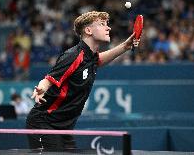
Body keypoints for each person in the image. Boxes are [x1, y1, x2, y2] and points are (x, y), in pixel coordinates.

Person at [26, 11, 140, 151]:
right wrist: (41, 88)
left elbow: (99, 60)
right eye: (102, 24)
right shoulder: (73, 55)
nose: (108, 28)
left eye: (107, 24)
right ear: (88, 30)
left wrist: (124, 46)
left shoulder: (90, 57)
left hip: (64, 128)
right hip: (44, 123)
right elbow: (48, 80)